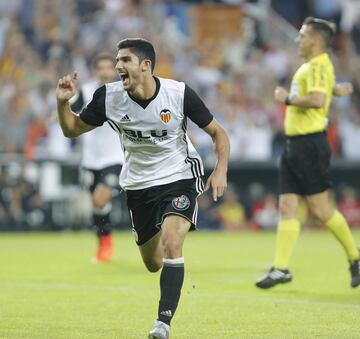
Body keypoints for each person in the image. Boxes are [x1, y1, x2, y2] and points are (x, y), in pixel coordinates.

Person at [55, 38, 229, 338]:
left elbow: (218, 132)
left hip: (179, 176)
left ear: (145, 65)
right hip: (138, 185)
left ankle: (162, 323)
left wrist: (221, 169)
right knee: (153, 263)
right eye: (116, 60)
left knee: (174, 241)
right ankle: (165, 248)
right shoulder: (108, 97)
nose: (118, 66)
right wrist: (62, 104)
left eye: (124, 60)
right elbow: (71, 129)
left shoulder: (178, 93)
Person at [255, 17, 360, 289]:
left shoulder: (317, 64)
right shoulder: (318, 66)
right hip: (295, 145)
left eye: (302, 35)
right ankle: (281, 268)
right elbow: (324, 92)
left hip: (308, 145)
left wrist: (286, 99)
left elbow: (317, 100)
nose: (297, 39)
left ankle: (355, 257)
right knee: (287, 206)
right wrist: (336, 90)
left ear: (314, 40)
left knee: (322, 210)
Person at [70, 53, 124, 263]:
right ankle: (103, 242)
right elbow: (71, 114)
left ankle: (106, 242)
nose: (104, 71)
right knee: (97, 204)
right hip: (90, 159)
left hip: (115, 157)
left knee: (100, 198)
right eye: (100, 67)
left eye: (108, 67)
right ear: (95, 70)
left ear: (115, 69)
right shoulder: (86, 91)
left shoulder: (123, 91)